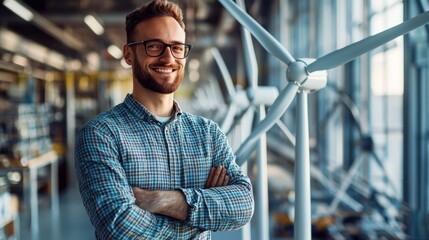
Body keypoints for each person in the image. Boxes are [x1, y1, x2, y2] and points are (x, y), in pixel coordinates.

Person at [74, 0, 254, 239]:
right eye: (154, 46)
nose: (168, 58)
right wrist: (203, 213)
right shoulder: (100, 135)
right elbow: (118, 227)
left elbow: (243, 204)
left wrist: (163, 200)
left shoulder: (208, 133)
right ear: (129, 54)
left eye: (177, 47)